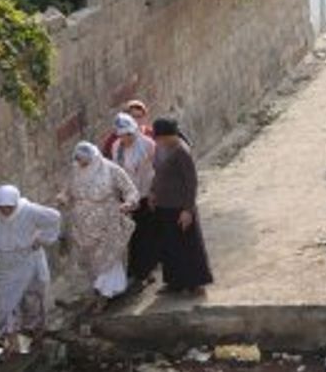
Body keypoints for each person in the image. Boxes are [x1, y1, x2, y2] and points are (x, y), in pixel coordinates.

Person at [0, 185, 61, 356]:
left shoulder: (28, 210)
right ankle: (12, 342)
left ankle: (37, 334)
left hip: (25, 261)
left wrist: (41, 238)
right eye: (2, 207)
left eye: (9, 207)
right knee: (3, 305)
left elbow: (54, 217)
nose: (5, 211)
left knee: (32, 300)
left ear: (15, 203)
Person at [58, 142, 139, 312]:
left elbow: (130, 190)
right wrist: (63, 197)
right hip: (82, 226)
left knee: (107, 258)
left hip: (106, 223)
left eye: (84, 161)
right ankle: (98, 290)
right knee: (91, 261)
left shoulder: (111, 170)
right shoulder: (75, 171)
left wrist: (128, 203)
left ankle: (105, 294)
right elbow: (67, 190)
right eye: (79, 160)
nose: (81, 164)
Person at [150, 118, 214, 295]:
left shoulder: (181, 151)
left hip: (180, 206)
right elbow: (158, 173)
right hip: (164, 205)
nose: (158, 141)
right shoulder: (161, 149)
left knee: (188, 245)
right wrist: (153, 192)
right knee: (170, 246)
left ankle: (195, 283)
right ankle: (174, 282)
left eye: (161, 137)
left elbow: (191, 182)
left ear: (169, 135)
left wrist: (188, 209)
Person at [110, 113, 157, 288]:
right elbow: (117, 172)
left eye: (128, 135)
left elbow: (154, 169)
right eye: (121, 135)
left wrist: (153, 192)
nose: (125, 139)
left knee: (146, 234)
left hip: (146, 194)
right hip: (128, 198)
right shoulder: (116, 147)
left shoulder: (147, 144)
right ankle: (136, 270)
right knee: (132, 235)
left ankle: (146, 271)